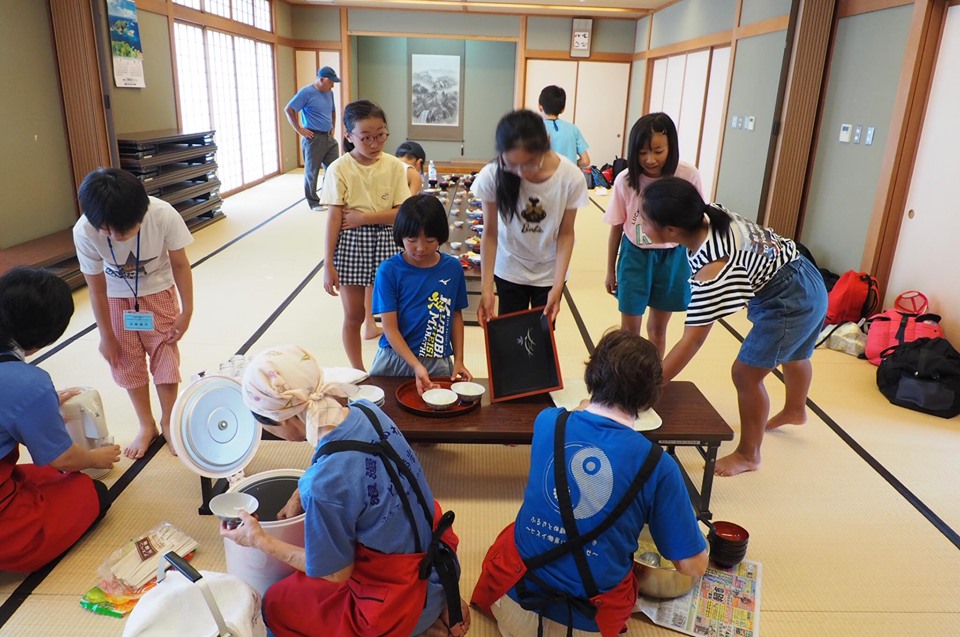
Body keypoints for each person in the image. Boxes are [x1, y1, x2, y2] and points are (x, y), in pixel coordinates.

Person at [221, 345, 471, 637]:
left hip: (396, 602)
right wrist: (300, 491)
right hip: (440, 568)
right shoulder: (365, 411)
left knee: (276, 603)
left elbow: (335, 573)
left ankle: (419, 625)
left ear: (284, 420)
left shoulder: (325, 483)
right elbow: (345, 459)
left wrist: (259, 539)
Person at [472, 329, 708, 636]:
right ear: (649, 397)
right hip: (588, 627)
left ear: (591, 376)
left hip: (513, 610)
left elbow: (580, 411)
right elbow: (692, 567)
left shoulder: (548, 422)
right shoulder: (657, 465)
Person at [640, 177, 828, 477]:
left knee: (745, 373)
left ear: (671, 231)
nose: (640, 223)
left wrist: (650, 387)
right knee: (795, 353)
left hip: (789, 298)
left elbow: (692, 341)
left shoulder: (713, 267)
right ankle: (795, 410)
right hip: (804, 274)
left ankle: (748, 454)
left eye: (644, 219)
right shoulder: (708, 212)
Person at [0, 267, 121, 573]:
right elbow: (63, 459)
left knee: (39, 480)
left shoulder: (24, 385)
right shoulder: (27, 383)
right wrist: (97, 456)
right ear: (47, 334)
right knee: (89, 491)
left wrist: (44, 401)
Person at [74, 167, 194, 459]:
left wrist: (187, 310)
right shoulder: (85, 231)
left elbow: (180, 264)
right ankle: (146, 424)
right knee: (125, 360)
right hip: (115, 299)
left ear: (142, 211)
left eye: (126, 230)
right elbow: (96, 287)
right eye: (108, 231)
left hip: (158, 293)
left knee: (164, 353)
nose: (117, 236)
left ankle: (168, 420)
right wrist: (106, 335)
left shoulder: (163, 214)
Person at [472, 109, 589, 324]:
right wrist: (486, 289)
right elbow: (489, 234)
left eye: (529, 162)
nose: (521, 173)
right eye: (512, 164)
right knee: (510, 335)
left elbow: (566, 234)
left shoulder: (570, 177)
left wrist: (557, 285)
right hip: (509, 269)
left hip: (549, 272)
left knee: (541, 342)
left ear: (546, 141)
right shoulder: (492, 174)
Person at [603, 112, 704, 357]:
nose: (650, 159)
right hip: (635, 256)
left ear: (671, 146)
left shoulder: (687, 175)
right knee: (629, 332)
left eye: (658, 151)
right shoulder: (625, 181)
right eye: (642, 152)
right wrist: (610, 269)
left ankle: (653, 380)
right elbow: (617, 226)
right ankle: (626, 381)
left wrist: (698, 267)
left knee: (658, 329)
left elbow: (697, 222)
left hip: (672, 257)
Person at [321, 100, 410, 370]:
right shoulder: (339, 168)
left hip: (387, 239)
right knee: (354, 314)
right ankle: (358, 372)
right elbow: (334, 217)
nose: (374, 143)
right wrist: (328, 263)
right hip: (350, 243)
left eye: (381, 134)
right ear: (348, 136)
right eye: (366, 137)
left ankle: (397, 366)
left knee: (394, 312)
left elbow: (401, 212)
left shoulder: (394, 166)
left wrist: (364, 218)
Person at [370, 195, 472, 394]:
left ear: (441, 236)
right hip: (395, 359)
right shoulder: (388, 271)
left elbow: (455, 314)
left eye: (430, 240)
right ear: (400, 235)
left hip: (436, 358)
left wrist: (459, 360)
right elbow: (389, 329)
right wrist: (416, 365)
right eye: (412, 239)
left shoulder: (452, 268)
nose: (420, 247)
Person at [284, 66, 341, 211]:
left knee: (334, 168)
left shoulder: (330, 93)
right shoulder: (306, 92)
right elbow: (289, 109)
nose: (333, 85)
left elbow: (333, 111)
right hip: (313, 137)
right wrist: (300, 129)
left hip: (329, 137)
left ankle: (328, 196)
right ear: (322, 79)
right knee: (312, 171)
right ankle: (314, 202)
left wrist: (333, 128)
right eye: (331, 82)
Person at [538, 86, 590, 168]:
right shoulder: (573, 129)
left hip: (546, 177)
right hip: (570, 177)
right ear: (562, 109)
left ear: (540, 107)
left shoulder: (535, 129)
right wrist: (570, 165)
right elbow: (585, 161)